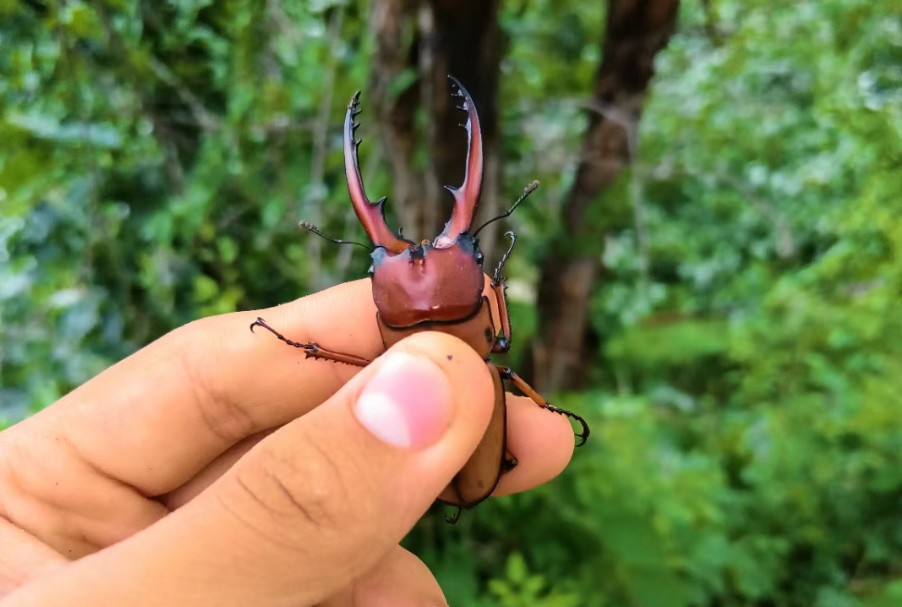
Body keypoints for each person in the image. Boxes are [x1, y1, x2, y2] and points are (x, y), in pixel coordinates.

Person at [0, 279, 575, 606]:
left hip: (468, 465)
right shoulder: (481, 355)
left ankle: (545, 411)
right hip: (469, 463)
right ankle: (547, 412)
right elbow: (497, 338)